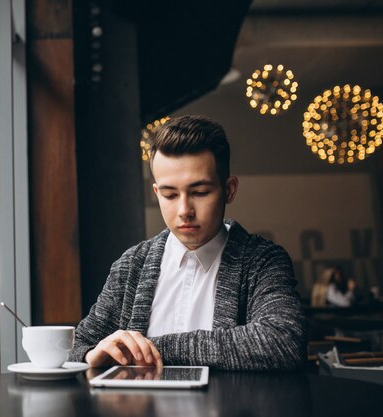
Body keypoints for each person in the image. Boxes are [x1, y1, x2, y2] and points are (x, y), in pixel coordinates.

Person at [68, 115, 307, 371]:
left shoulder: (263, 261)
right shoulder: (130, 266)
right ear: (157, 193)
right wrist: (91, 355)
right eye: (170, 195)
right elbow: (78, 347)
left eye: (200, 192)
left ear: (229, 190)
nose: (184, 210)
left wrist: (148, 349)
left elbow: (283, 341)